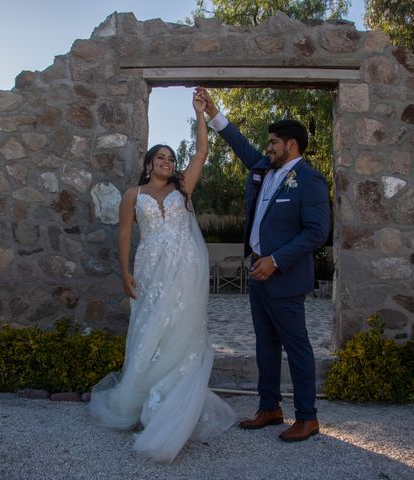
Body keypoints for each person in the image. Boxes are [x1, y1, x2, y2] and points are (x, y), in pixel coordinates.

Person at [89, 90, 236, 462]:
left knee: (181, 331)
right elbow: (124, 236)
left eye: (171, 158)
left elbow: (201, 153)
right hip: (150, 268)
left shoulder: (182, 189)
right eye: (161, 158)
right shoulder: (132, 195)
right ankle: (142, 402)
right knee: (150, 329)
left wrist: (199, 114)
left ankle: (174, 406)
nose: (168, 162)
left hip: (186, 270)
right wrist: (124, 271)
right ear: (149, 163)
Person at [198, 87, 330, 442]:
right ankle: (269, 407)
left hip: (283, 276)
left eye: (273, 142)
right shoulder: (264, 168)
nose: (267, 147)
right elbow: (239, 144)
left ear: (291, 145)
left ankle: (307, 417)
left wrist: (275, 260)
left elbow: (318, 231)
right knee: (265, 345)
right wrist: (213, 112)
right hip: (258, 273)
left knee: (297, 346)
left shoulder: (310, 180)